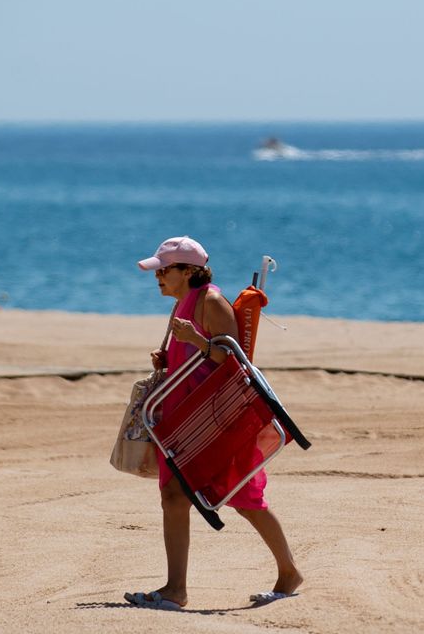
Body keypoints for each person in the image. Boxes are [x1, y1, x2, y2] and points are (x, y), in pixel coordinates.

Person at [123, 235, 302, 611]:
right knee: (173, 496)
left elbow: (233, 362)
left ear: (188, 271)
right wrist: (167, 359)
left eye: (164, 271)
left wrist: (195, 340)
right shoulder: (182, 304)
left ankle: (289, 572)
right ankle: (175, 589)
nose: (158, 278)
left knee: (244, 497)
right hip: (183, 419)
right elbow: (193, 358)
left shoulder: (211, 303)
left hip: (216, 420)